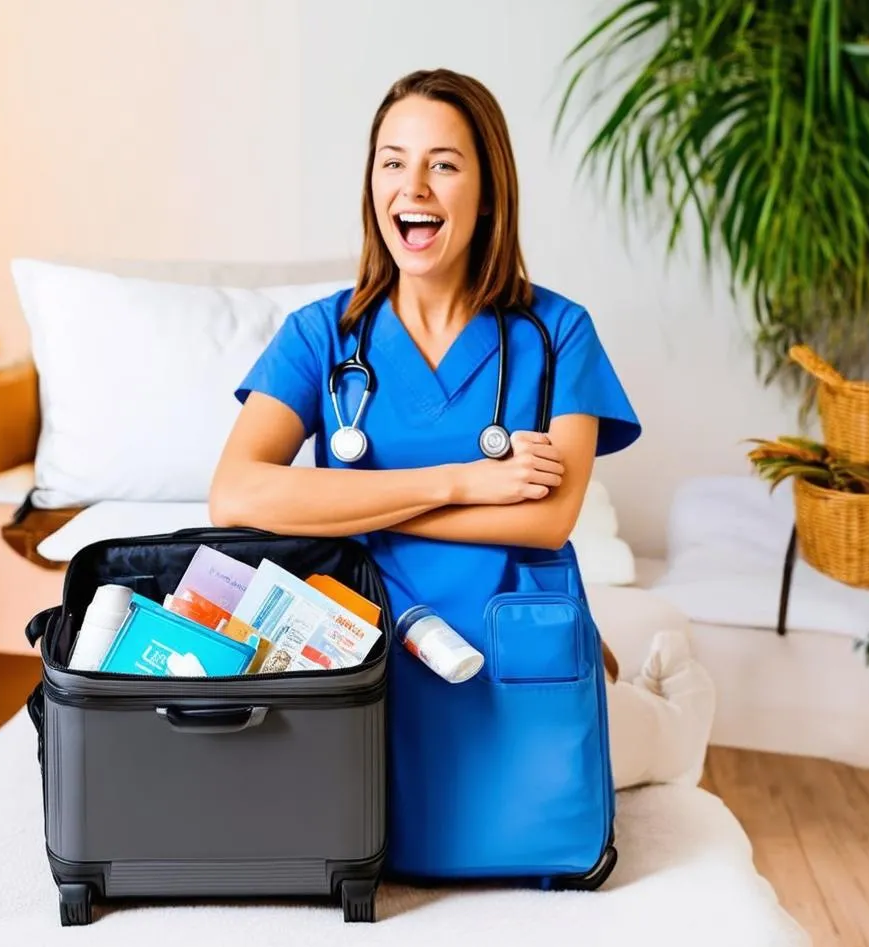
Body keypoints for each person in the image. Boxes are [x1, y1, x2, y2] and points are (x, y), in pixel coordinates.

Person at [211, 68, 710, 877]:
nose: (414, 185)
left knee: (628, 752)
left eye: (444, 164)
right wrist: (460, 481)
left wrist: (342, 505)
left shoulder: (557, 335)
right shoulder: (320, 337)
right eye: (391, 162)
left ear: (488, 193)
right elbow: (236, 493)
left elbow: (548, 520)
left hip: (511, 647)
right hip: (365, 636)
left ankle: (669, 708)